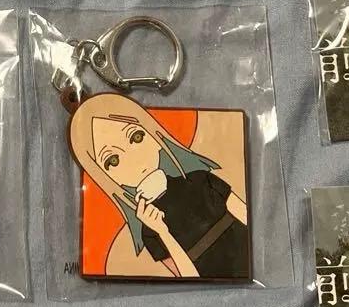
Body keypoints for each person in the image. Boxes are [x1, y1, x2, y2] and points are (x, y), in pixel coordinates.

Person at [68, 94, 249, 280]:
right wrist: (162, 232)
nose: (134, 159)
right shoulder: (149, 230)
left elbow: (247, 218)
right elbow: (190, 279)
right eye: (113, 160)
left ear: (154, 136)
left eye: (136, 137)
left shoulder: (200, 178)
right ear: (105, 176)